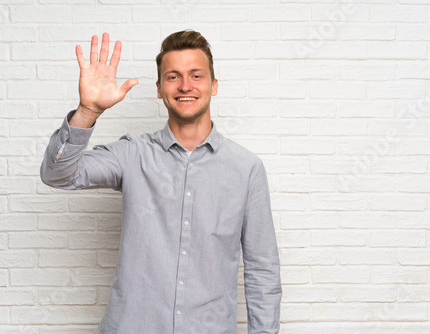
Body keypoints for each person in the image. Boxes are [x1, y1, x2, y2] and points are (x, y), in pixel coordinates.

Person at [40, 30, 281, 334]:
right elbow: (58, 174)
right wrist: (89, 110)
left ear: (214, 85)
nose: (185, 86)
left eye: (196, 75)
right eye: (173, 77)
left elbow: (263, 273)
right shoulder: (132, 153)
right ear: (159, 89)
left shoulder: (247, 169)